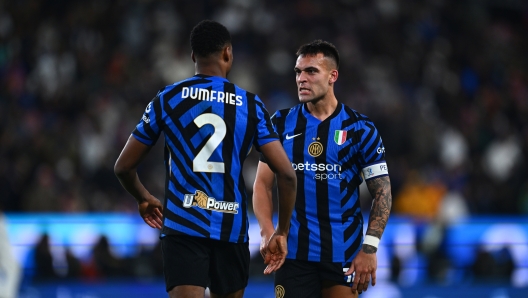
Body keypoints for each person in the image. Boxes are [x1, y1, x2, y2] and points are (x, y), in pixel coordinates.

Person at [114, 20, 297, 298]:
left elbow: (123, 167)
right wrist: (281, 231)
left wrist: (143, 197)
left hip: (183, 228)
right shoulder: (251, 105)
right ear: (228, 53)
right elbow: (286, 175)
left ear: (192, 57)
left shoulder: (169, 98)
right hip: (231, 230)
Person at [253, 40, 393, 298]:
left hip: (343, 254)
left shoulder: (360, 129)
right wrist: (266, 232)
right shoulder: (281, 123)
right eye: (298, 72)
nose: (301, 79)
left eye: (311, 71)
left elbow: (382, 192)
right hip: (292, 254)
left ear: (332, 76)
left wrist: (370, 248)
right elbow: (262, 184)